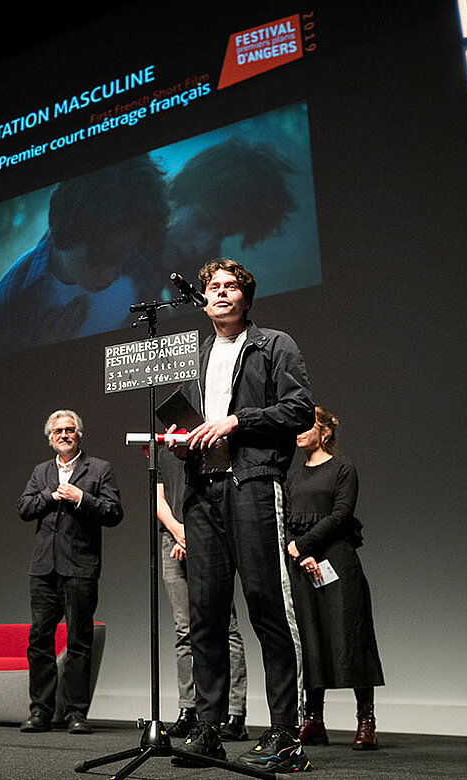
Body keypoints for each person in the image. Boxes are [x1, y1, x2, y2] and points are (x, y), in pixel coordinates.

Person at [164, 259, 315, 772]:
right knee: (205, 613)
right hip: (202, 492)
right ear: (203, 301)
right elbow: (195, 424)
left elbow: (299, 411)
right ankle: (208, 730)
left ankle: (286, 734)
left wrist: (235, 421)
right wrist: (182, 442)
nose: (221, 294)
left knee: (268, 608)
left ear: (246, 299)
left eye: (231, 287)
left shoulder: (274, 344)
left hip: (252, 485)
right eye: (213, 288)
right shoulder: (198, 355)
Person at [0, 155, 169, 355]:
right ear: (66, 228)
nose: (115, 273)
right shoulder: (9, 302)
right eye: (105, 256)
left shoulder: (142, 239)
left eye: (127, 254)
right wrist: (39, 351)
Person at [17, 410, 123, 735]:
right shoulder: (41, 471)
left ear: (79, 435)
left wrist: (82, 498)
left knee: (78, 642)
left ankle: (76, 713)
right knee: (39, 641)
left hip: (80, 567)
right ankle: (40, 712)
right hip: (44, 569)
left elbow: (114, 512)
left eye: (70, 430)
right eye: (58, 431)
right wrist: (50, 495)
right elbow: (24, 508)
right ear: (50, 437)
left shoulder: (99, 469)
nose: (64, 435)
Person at [285, 407, 385, 750]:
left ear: (324, 432)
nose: (298, 432)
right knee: (311, 637)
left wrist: (306, 545)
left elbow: (341, 515)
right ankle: (314, 720)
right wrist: (300, 551)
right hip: (302, 563)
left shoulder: (343, 469)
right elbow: (284, 518)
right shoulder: (293, 476)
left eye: (305, 426)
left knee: (350, 637)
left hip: (337, 561)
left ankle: (366, 720)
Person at [156, 450, 249, 742]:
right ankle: (189, 709)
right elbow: (158, 500)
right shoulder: (162, 453)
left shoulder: (210, 446)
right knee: (184, 629)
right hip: (172, 539)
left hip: (209, 534)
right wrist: (178, 532)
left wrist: (192, 537)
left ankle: (234, 713)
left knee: (225, 627)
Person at [162, 137, 297, 276]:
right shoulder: (141, 206)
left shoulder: (202, 263)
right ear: (176, 196)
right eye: (202, 222)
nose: (200, 248)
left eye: (219, 236)